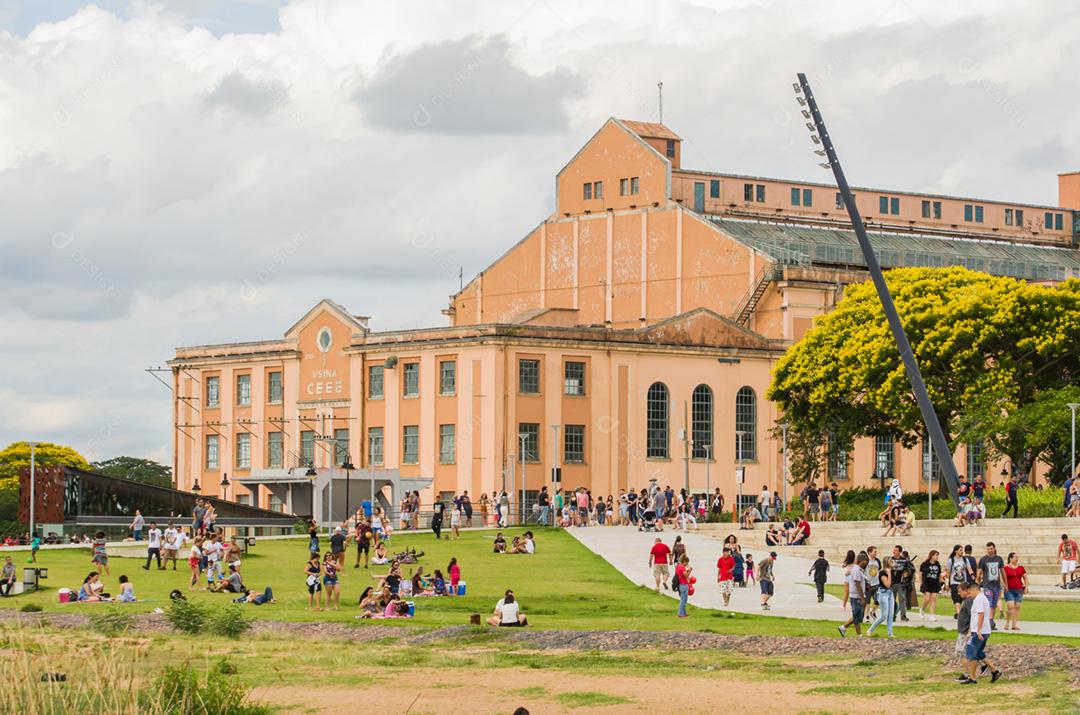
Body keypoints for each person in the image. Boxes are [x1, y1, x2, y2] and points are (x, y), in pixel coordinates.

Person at [961, 581, 1002, 684]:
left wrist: (978, 630)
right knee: (979, 653)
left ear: (974, 589)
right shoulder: (981, 598)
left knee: (971, 654)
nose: (969, 594)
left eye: (970, 592)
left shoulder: (979, 599)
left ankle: (972, 678)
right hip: (983, 631)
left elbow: (981, 614)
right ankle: (994, 670)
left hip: (980, 631)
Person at [976, 542, 1006, 631]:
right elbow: (979, 573)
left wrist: (1005, 584)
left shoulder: (999, 559)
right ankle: (988, 621)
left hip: (996, 585)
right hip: (987, 585)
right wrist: (977, 582)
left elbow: (1002, 573)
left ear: (994, 549)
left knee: (993, 604)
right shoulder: (983, 559)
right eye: (988, 549)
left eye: (991, 549)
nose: (989, 550)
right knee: (989, 602)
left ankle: (991, 620)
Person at [838, 551, 868, 637]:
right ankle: (857, 634)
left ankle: (844, 627)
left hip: (857, 596)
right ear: (859, 561)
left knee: (858, 616)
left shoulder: (858, 570)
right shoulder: (856, 570)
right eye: (864, 562)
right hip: (856, 596)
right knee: (857, 615)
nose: (865, 563)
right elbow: (857, 583)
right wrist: (862, 598)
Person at [867, 556, 895, 638]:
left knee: (890, 615)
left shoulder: (891, 571)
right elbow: (887, 584)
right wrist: (889, 573)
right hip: (883, 593)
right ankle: (870, 630)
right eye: (891, 561)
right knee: (884, 616)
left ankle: (890, 633)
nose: (892, 562)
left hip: (890, 593)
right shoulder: (882, 573)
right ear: (887, 563)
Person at [1001, 552, 1028, 631]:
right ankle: (1007, 622)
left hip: (1019, 589)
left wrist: (1026, 587)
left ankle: (1014, 625)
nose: (1017, 559)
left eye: (1017, 557)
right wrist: (1004, 586)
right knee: (1010, 606)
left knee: (1017, 607)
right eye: (1015, 557)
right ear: (1010, 558)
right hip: (1009, 590)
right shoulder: (1005, 568)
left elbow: (1025, 577)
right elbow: (1002, 578)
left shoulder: (1021, 568)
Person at [944, 544, 968, 619]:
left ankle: (959, 613)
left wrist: (973, 575)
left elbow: (969, 569)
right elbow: (948, 573)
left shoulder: (965, 559)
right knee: (956, 598)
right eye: (960, 550)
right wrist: (947, 584)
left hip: (963, 582)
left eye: (962, 550)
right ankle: (959, 613)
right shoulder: (951, 560)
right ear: (956, 551)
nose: (962, 552)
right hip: (954, 582)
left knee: (964, 599)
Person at [918, 550, 941, 620]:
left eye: (938, 555)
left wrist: (940, 582)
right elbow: (920, 573)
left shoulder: (938, 564)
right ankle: (922, 609)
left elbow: (939, 574)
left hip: (935, 583)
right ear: (932, 556)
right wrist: (921, 583)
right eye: (936, 555)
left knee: (933, 599)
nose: (937, 557)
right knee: (927, 599)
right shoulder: (925, 564)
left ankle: (932, 615)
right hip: (926, 583)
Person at [889, 545, 910, 622]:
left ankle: (903, 615)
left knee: (902, 599)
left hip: (901, 583)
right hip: (892, 582)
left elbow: (909, 570)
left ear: (900, 552)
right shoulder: (890, 560)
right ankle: (892, 616)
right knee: (892, 600)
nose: (894, 552)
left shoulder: (904, 560)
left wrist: (906, 573)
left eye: (896, 550)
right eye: (893, 550)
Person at [864, 546, 881, 622]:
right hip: (868, 584)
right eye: (874, 551)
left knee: (878, 599)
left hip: (876, 583)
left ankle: (873, 612)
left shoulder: (877, 560)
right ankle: (867, 615)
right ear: (869, 552)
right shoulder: (866, 561)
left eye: (876, 551)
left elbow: (879, 569)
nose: (875, 553)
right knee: (867, 601)